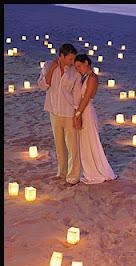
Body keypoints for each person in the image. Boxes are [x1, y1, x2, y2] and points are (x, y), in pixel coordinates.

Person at [37, 43, 81, 186]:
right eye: (69, 59)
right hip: (54, 111)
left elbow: (76, 94)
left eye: (73, 59)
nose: (72, 62)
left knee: (72, 145)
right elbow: (43, 85)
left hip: (69, 112)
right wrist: (52, 69)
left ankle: (73, 176)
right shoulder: (48, 65)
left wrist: (77, 115)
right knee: (59, 145)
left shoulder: (74, 72)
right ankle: (61, 173)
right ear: (61, 56)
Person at [74, 53, 117, 184]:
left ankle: (96, 171)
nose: (79, 69)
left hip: (86, 111)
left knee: (90, 141)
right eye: (77, 67)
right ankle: (90, 169)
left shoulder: (92, 78)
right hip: (83, 110)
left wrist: (78, 114)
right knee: (85, 142)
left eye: (80, 66)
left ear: (87, 63)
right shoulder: (85, 77)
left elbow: (86, 98)